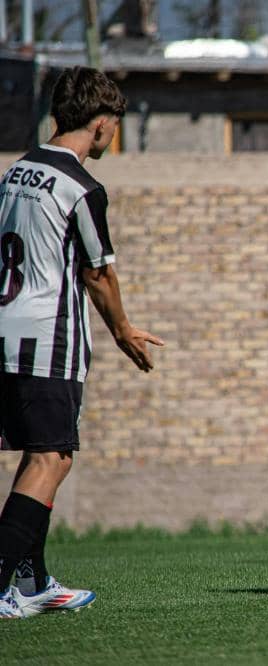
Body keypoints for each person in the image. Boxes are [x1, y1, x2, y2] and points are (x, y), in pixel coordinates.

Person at [0, 66, 163, 619]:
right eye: (114, 123)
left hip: (5, 333)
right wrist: (123, 330)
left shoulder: (17, 172)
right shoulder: (81, 187)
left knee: (43, 455)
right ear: (100, 124)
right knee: (51, 456)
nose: (113, 134)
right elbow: (98, 274)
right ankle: (4, 583)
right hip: (48, 338)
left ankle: (33, 579)